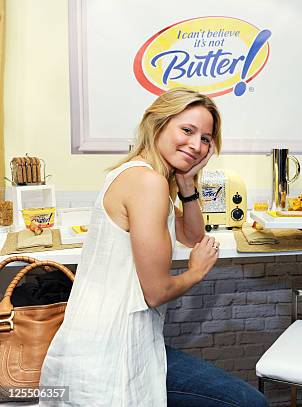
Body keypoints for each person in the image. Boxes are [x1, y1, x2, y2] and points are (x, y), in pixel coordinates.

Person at [40, 88, 269, 407]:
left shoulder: (137, 174)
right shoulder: (148, 183)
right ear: (157, 122)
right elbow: (157, 292)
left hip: (96, 342)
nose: (196, 145)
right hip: (112, 351)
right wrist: (196, 272)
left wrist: (188, 184)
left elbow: (191, 237)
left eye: (205, 138)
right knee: (249, 403)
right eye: (187, 130)